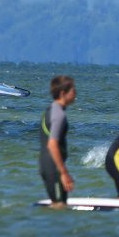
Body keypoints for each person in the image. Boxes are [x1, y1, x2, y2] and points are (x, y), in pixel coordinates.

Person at [39, 75, 77, 208]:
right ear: (63, 93)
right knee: (59, 207)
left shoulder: (50, 110)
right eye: (73, 90)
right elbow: (52, 144)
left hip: (46, 165)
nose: (75, 94)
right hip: (54, 169)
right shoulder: (59, 115)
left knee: (57, 207)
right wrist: (64, 173)